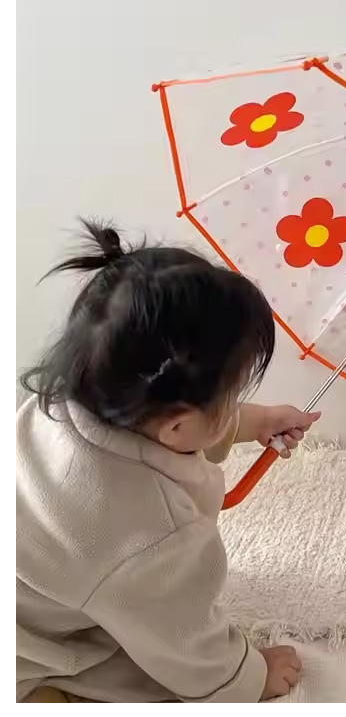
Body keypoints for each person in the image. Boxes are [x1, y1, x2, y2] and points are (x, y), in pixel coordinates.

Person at [16, 220, 321, 703]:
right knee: (124, 672)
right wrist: (249, 676)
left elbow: (173, 430)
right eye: (232, 397)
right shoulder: (150, 535)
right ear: (177, 426)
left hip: (39, 580)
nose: (235, 406)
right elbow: (185, 640)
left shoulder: (67, 402)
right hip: (25, 648)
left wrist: (256, 420)